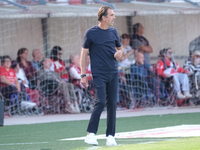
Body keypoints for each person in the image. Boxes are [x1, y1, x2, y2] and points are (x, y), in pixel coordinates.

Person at [80, 6, 124, 146]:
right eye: (111, 15)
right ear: (103, 17)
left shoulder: (113, 32)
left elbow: (120, 48)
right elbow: (83, 55)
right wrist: (83, 75)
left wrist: (120, 53)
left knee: (112, 104)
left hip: (113, 72)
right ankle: (90, 134)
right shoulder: (91, 33)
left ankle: (110, 136)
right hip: (98, 74)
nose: (114, 17)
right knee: (100, 101)